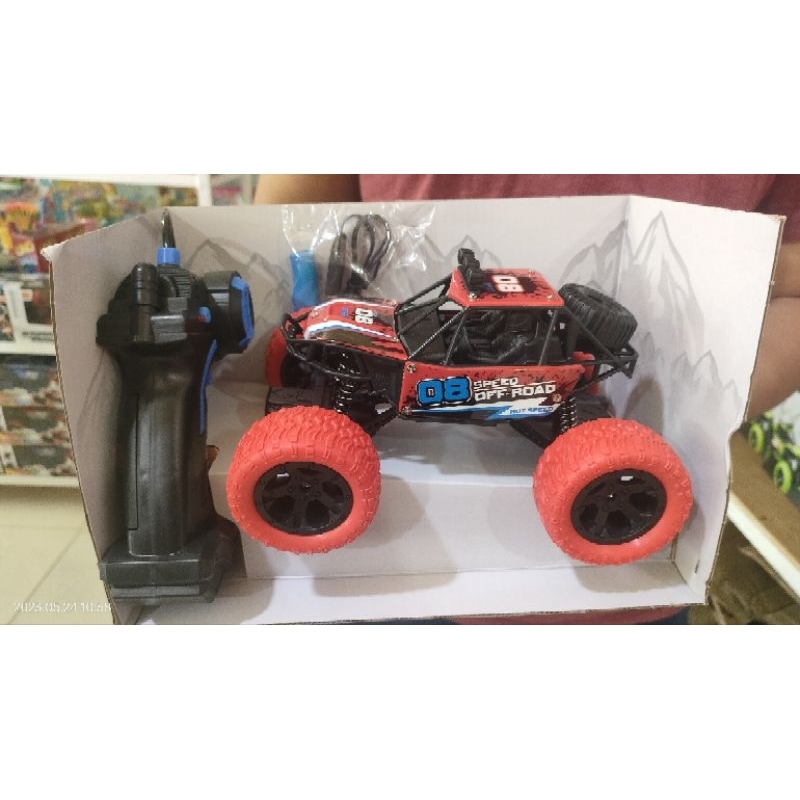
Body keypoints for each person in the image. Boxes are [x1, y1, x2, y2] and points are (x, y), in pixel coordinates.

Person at [254, 174, 800, 623]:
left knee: (586, 453)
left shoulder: (541, 364)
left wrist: (697, 418)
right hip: (362, 591)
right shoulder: (433, 319)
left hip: (606, 601)